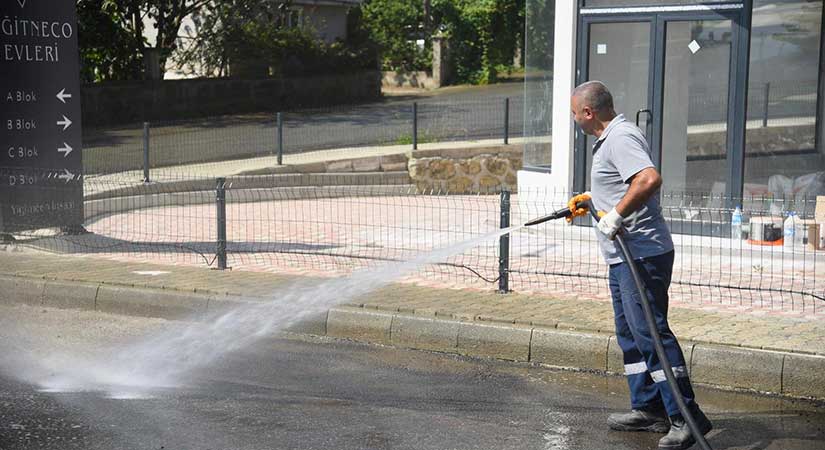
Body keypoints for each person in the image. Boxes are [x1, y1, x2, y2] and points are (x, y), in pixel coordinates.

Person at [566, 81, 712, 450]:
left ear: (589, 113)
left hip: (643, 255)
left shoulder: (620, 136)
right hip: (622, 258)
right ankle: (648, 406)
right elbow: (624, 183)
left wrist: (615, 214)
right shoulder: (610, 139)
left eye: (574, 113)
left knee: (651, 335)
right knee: (630, 335)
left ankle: (686, 416)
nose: (573, 120)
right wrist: (593, 199)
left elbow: (648, 179)